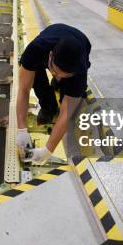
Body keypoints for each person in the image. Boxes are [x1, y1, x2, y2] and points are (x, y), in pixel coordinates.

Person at [16, 23, 91, 164]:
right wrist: (21, 129)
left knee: (74, 97)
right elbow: (24, 90)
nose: (56, 76)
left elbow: (66, 113)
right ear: (50, 56)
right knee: (35, 78)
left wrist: (48, 150)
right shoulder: (36, 50)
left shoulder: (79, 71)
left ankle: (64, 86)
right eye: (54, 73)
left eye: (64, 75)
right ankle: (48, 106)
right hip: (52, 36)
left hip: (81, 42)